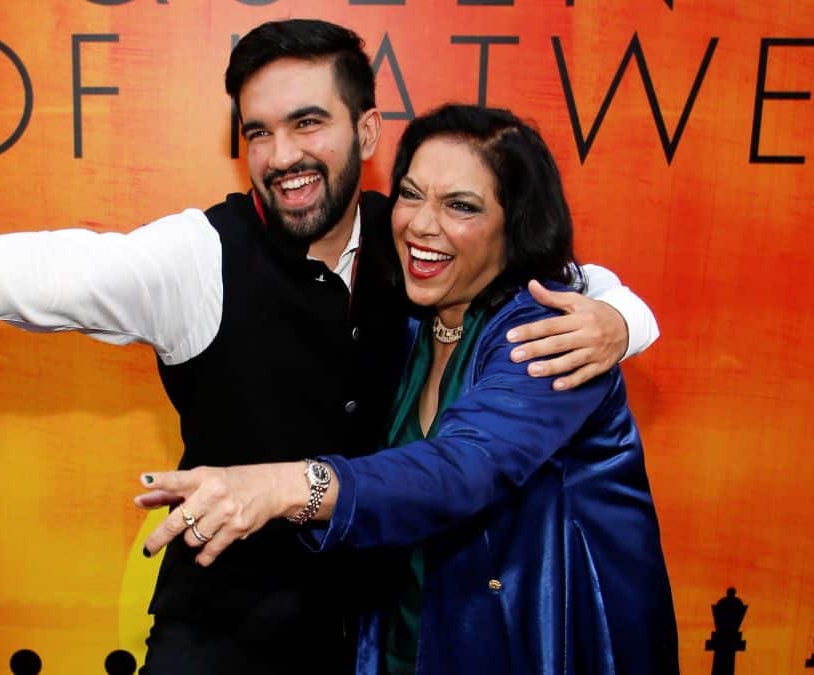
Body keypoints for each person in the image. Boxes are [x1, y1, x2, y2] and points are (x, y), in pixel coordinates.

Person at [0, 20, 660, 675]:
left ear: (366, 130)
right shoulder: (195, 258)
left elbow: (542, 285)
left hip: (376, 643)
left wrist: (620, 316)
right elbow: (30, 273)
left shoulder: (417, 247)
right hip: (225, 640)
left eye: (309, 123)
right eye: (258, 131)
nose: (282, 155)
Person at [137, 104, 678, 674]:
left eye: (461, 206)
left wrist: (284, 486)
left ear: (515, 224)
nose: (422, 224)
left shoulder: (547, 334)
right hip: (405, 639)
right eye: (412, 195)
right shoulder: (408, 316)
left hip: (531, 648)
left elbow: (462, 469)